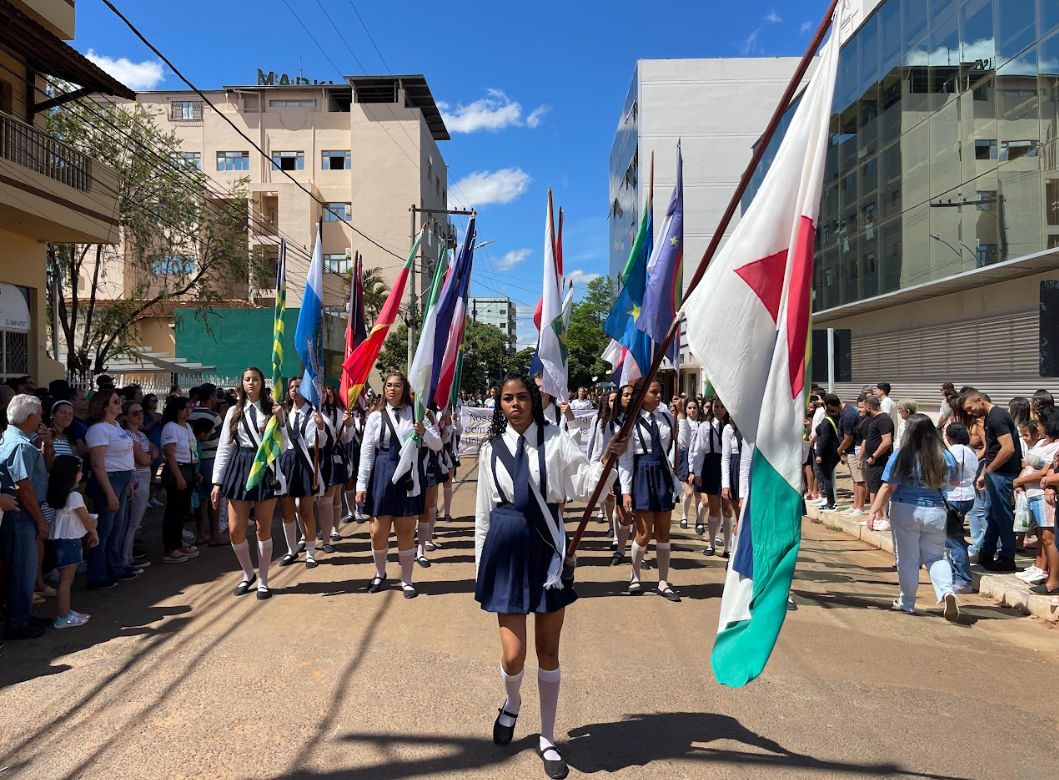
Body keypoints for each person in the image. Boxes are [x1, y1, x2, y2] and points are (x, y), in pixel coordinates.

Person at [474, 372, 627, 779]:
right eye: (507, 398)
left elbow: (582, 484)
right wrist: (480, 567)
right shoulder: (490, 450)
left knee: (548, 652)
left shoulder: (557, 440)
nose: (515, 405)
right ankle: (511, 702)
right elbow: (483, 513)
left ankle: (546, 737)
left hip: (546, 553)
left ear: (535, 400)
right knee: (513, 654)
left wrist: (608, 461)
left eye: (522, 397)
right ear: (499, 404)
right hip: (505, 551)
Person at [867, 413, 961, 621]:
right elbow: (955, 481)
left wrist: (873, 511)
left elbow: (888, 487)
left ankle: (907, 602)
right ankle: (947, 592)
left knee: (907, 559)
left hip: (905, 510)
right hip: (936, 510)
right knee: (936, 557)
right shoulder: (944, 455)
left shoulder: (902, 454)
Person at [356, 371, 440, 598]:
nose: (392, 389)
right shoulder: (375, 417)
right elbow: (366, 452)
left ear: (405, 388)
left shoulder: (418, 414)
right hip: (382, 475)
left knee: (405, 530)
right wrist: (361, 485)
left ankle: (407, 580)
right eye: (389, 385)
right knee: (377, 531)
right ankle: (379, 573)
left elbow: (438, 444)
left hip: (408, 476)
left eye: (398, 385)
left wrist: (424, 432)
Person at [212, 367, 284, 599]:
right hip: (240, 466)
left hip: (265, 466)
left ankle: (263, 579)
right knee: (235, 530)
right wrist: (217, 482)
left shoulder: (272, 410)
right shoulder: (234, 410)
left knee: (263, 528)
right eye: (247, 379)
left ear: (263, 383)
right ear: (241, 384)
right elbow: (225, 447)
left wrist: (281, 422)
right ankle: (247, 573)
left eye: (255, 379)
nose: (251, 383)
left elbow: (283, 447)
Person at [619, 377, 680, 601]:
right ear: (642, 394)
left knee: (663, 532)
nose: (658, 396)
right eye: (654, 392)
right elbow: (625, 460)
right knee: (643, 533)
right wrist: (626, 490)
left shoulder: (666, 417)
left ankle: (663, 582)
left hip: (662, 475)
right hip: (642, 475)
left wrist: (679, 416)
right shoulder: (631, 421)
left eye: (660, 392)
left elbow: (676, 444)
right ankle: (635, 576)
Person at [0, 395, 52, 639]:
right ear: (30, 417)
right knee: (23, 568)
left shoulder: (15, 438)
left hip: (20, 512)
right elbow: (23, 486)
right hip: (22, 514)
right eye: (39, 414)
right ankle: (18, 621)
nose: (42, 418)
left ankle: (23, 615)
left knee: (23, 567)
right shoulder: (19, 444)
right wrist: (41, 519)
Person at [961, 388, 1022, 571]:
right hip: (994, 474)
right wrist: (984, 473)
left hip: (1002, 474)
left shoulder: (997, 416)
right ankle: (987, 553)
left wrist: (990, 469)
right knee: (991, 515)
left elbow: (1008, 448)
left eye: (970, 408)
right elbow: (992, 448)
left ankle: (1007, 557)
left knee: (1002, 516)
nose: (970, 413)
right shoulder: (989, 418)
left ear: (980, 400)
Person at [85, 389, 137, 588]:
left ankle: (113, 567)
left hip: (122, 479)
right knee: (104, 529)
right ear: (103, 406)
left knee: (116, 527)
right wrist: (109, 493)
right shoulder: (98, 429)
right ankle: (96, 574)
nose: (119, 403)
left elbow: (123, 456)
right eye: (115, 401)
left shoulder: (115, 425)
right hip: (109, 480)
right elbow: (98, 464)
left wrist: (129, 482)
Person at [46, 455, 98, 628]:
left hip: (63, 539)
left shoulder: (60, 493)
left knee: (66, 579)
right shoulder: (74, 496)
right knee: (67, 580)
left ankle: (67, 612)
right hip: (70, 540)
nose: (82, 474)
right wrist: (94, 532)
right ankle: (63, 616)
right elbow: (85, 518)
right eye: (79, 471)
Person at [277, 377, 325, 569]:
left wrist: (321, 426)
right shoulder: (284, 413)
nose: (294, 390)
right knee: (287, 511)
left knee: (306, 511)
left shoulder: (314, 414)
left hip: (306, 462)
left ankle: (311, 552)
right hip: (287, 463)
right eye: (291, 387)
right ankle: (291, 550)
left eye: (298, 387)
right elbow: (279, 441)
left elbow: (320, 442)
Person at [1015, 407, 1059, 591]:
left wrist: (1045, 480)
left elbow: (1047, 471)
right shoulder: (1044, 444)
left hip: (1044, 497)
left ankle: (1053, 580)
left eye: (1040, 424)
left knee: (1050, 538)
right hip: (1034, 493)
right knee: (1043, 536)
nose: (1038, 427)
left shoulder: (1056, 445)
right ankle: (1042, 570)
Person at [587, 389, 632, 565]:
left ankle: (636, 547)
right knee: (617, 507)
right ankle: (618, 542)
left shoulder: (637, 420)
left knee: (635, 512)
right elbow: (601, 447)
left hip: (636, 469)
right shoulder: (605, 423)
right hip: (616, 468)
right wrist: (598, 468)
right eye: (613, 399)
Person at [160, 397, 200, 565]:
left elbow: (191, 449)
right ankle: (170, 547)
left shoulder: (187, 426)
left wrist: (195, 471)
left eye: (189, 408)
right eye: (184, 409)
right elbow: (170, 454)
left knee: (182, 510)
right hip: (177, 471)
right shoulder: (170, 427)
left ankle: (178, 543)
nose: (188, 412)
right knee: (173, 511)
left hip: (189, 469)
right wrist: (179, 477)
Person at [691, 397, 733, 556]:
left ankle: (728, 548)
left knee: (727, 508)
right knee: (713, 508)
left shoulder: (731, 426)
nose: (719, 409)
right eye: (716, 406)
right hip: (711, 465)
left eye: (723, 406)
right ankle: (711, 543)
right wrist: (698, 472)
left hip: (728, 465)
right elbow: (699, 451)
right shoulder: (705, 426)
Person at [943, 423, 978, 595]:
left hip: (954, 498)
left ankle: (963, 580)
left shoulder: (953, 452)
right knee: (953, 539)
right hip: (968, 497)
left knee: (953, 540)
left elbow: (950, 476)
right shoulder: (971, 451)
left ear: (949, 437)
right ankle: (952, 574)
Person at [121, 400, 157, 572]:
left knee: (134, 522)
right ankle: (125, 559)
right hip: (137, 478)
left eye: (141, 412)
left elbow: (155, 450)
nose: (140, 415)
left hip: (145, 476)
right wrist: (149, 456)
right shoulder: (128, 435)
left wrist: (149, 455)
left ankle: (127, 557)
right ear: (126, 417)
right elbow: (144, 459)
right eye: (135, 413)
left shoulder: (141, 435)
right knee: (131, 523)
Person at [318, 386, 354, 551]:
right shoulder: (310, 412)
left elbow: (347, 437)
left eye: (325, 393)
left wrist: (349, 425)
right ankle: (309, 535)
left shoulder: (336, 413)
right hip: (312, 458)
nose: (323, 395)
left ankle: (333, 530)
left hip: (332, 456)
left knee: (330, 498)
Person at [189, 383, 222, 545]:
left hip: (196, 459)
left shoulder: (189, 415)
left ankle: (201, 533)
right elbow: (223, 436)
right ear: (211, 397)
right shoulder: (214, 416)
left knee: (200, 498)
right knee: (214, 497)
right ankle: (215, 534)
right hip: (211, 459)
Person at [860, 395, 895, 529]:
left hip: (879, 461)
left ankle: (883, 518)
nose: (861, 409)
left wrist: (874, 456)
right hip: (873, 460)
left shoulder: (883, 420)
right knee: (874, 488)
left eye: (863, 407)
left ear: (869, 407)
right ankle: (876, 516)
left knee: (880, 488)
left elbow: (886, 442)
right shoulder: (875, 420)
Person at [676, 398, 702, 530]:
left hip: (698, 458)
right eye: (690, 408)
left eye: (694, 408)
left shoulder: (701, 425)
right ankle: (684, 516)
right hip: (685, 457)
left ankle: (699, 519)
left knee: (698, 493)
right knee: (689, 491)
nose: (692, 411)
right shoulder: (682, 423)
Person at [813, 395, 842, 513]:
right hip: (834, 452)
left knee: (826, 478)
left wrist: (819, 454)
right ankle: (830, 502)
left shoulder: (826, 421)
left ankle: (831, 503)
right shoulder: (837, 418)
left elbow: (824, 439)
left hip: (826, 453)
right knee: (827, 477)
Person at [842, 396, 868, 517]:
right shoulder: (861, 419)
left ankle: (860, 507)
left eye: (862, 407)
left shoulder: (868, 421)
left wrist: (859, 457)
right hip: (854, 451)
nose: (860, 410)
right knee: (856, 480)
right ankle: (855, 505)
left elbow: (865, 440)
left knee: (860, 480)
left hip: (859, 452)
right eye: (859, 407)